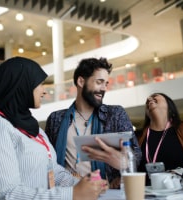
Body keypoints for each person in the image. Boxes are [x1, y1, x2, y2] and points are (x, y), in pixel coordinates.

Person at [0, 57, 108, 200]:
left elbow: (54, 172)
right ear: (22, 84)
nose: (44, 91)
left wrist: (87, 186)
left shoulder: (33, 129)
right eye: (40, 84)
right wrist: (72, 195)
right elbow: (9, 194)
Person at [45, 57, 142, 189]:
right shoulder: (56, 119)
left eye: (106, 84)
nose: (103, 88)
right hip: (69, 193)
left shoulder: (115, 114)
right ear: (81, 81)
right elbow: (49, 161)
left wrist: (123, 162)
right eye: (99, 82)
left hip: (105, 192)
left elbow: (136, 154)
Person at [136, 93, 183, 185]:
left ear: (170, 106)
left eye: (155, 97)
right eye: (148, 100)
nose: (150, 98)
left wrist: (175, 174)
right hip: (148, 193)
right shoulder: (138, 136)